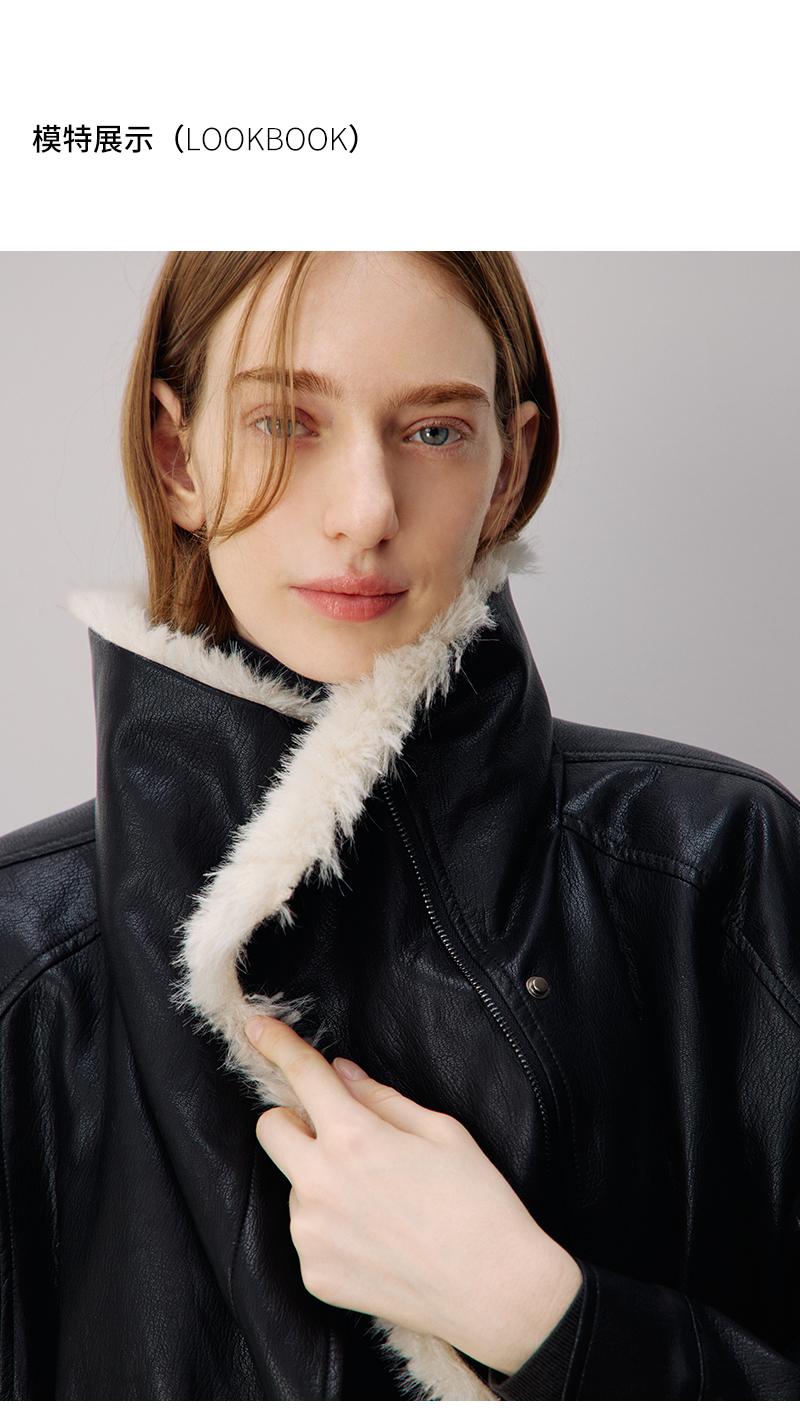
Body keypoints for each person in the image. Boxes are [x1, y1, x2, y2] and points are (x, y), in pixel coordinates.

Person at [0, 250, 798, 1401]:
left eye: (433, 431)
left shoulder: (711, 867)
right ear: (178, 459)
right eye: (284, 421)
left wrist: (537, 1314)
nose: (365, 511)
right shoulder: (26, 963)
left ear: (508, 467)